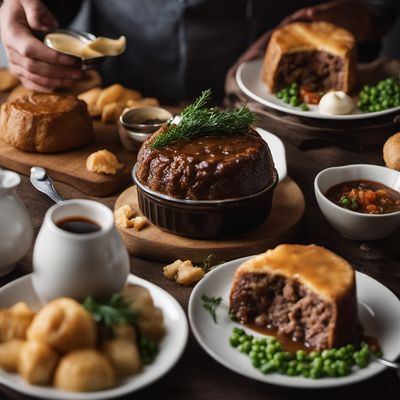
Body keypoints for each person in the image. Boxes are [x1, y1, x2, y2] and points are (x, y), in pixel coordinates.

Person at [0, 0, 397, 103]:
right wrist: (20, 11)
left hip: (276, 108)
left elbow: (374, 9)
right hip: (125, 95)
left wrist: (365, 14)